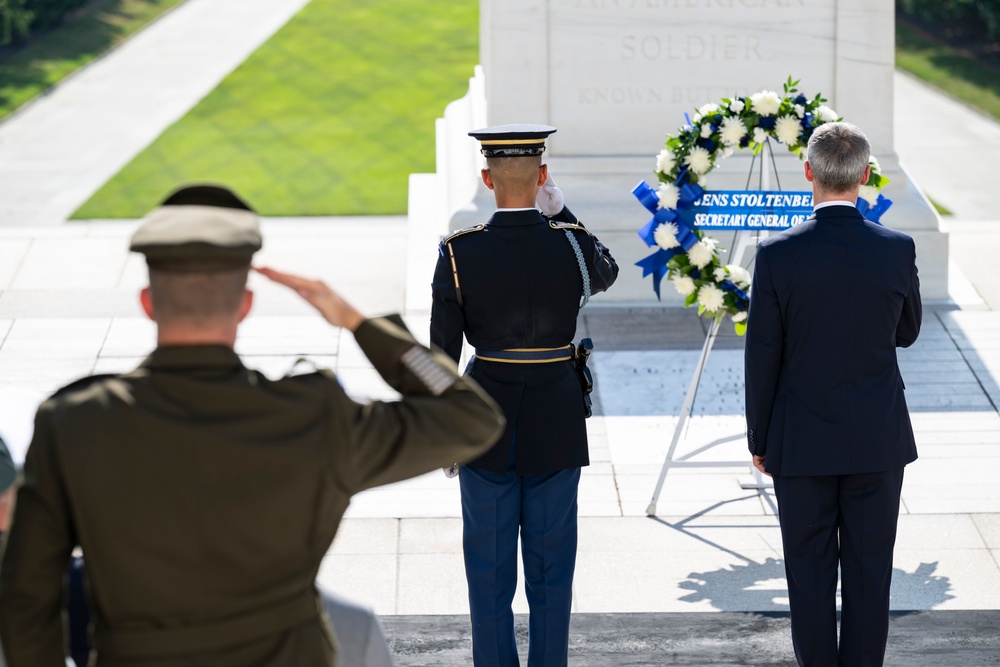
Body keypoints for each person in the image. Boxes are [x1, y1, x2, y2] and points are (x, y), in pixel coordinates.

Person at [0, 185, 505, 667]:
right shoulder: (313, 415)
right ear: (245, 304)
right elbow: (471, 417)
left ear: (148, 302)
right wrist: (358, 322)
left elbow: (25, 598)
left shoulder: (74, 423)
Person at [430, 124, 619, 666]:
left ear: (486, 179)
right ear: (542, 178)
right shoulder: (572, 246)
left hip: (484, 422)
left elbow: (440, 356)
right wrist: (560, 212)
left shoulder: (459, 253)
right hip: (557, 418)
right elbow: (604, 269)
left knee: (488, 572)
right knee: (552, 571)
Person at [744, 122, 922, 667]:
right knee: (871, 573)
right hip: (876, 438)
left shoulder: (776, 255)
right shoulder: (896, 249)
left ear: (809, 174)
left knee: (809, 573)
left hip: (801, 441)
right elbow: (907, 331)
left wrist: (760, 439)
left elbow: (762, 358)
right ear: (864, 176)